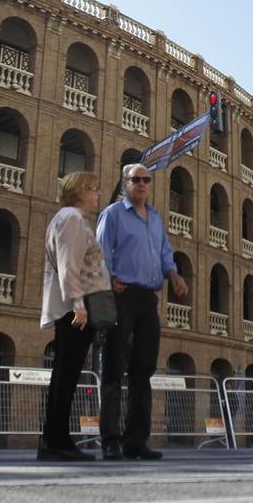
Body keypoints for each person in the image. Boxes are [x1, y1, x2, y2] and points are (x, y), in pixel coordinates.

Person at [95, 163, 188, 461]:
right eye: (136, 180)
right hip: (121, 296)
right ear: (125, 183)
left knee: (143, 370)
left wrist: (173, 274)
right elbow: (100, 251)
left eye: (147, 180)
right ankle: (110, 440)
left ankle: (136, 441)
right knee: (113, 367)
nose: (142, 184)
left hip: (148, 299)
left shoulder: (156, 218)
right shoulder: (112, 214)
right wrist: (109, 279)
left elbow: (164, 252)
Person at [38, 171, 109, 461]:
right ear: (78, 191)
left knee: (65, 374)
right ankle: (56, 440)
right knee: (66, 374)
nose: (98, 195)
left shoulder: (66, 217)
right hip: (77, 309)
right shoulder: (72, 218)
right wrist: (78, 304)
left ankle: (56, 438)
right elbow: (69, 264)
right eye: (93, 189)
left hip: (75, 305)